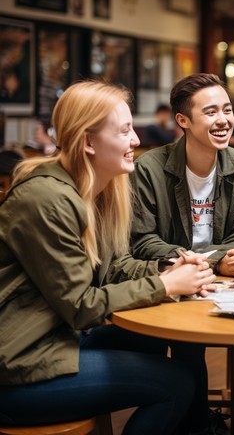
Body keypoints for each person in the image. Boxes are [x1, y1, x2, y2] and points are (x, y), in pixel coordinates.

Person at [0, 80, 217, 434]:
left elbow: (113, 267)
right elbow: (81, 306)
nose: (135, 141)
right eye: (125, 130)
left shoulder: (94, 188)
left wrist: (167, 267)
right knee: (176, 384)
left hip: (56, 337)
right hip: (17, 367)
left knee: (153, 337)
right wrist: (163, 285)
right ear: (88, 142)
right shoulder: (46, 199)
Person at [130, 73, 234, 434]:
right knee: (181, 344)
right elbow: (142, 241)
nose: (223, 120)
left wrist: (213, 261)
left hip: (222, 283)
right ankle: (196, 422)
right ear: (183, 121)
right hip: (169, 280)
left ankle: (195, 422)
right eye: (211, 112)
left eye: (228, 109)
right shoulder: (149, 168)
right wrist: (214, 260)